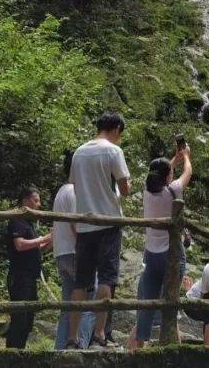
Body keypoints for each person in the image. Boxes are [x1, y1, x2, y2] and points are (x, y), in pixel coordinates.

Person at [66, 112, 131, 350]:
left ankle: (72, 339)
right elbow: (124, 189)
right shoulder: (114, 151)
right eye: (120, 133)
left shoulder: (80, 152)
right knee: (106, 277)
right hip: (108, 223)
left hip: (84, 223)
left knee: (80, 282)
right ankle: (98, 335)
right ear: (116, 128)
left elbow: (74, 184)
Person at [129, 142, 193, 350]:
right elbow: (188, 173)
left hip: (151, 255)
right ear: (168, 177)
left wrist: (174, 158)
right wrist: (187, 157)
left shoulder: (147, 192)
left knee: (146, 304)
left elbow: (163, 172)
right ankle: (173, 352)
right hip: (171, 255)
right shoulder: (173, 189)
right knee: (170, 304)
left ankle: (137, 348)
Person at [52, 152, 94, 350]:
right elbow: (78, 227)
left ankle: (61, 349)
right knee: (88, 305)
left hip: (62, 252)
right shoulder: (75, 192)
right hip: (76, 253)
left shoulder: (62, 191)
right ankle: (80, 349)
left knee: (68, 306)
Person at [5, 186, 52, 349]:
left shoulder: (29, 223)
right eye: (36, 200)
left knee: (28, 320)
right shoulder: (17, 220)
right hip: (19, 277)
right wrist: (43, 238)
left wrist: (49, 241)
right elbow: (19, 245)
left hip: (31, 277)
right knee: (20, 319)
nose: (39, 204)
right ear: (25, 200)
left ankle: (20, 353)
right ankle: (11, 355)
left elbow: (35, 248)